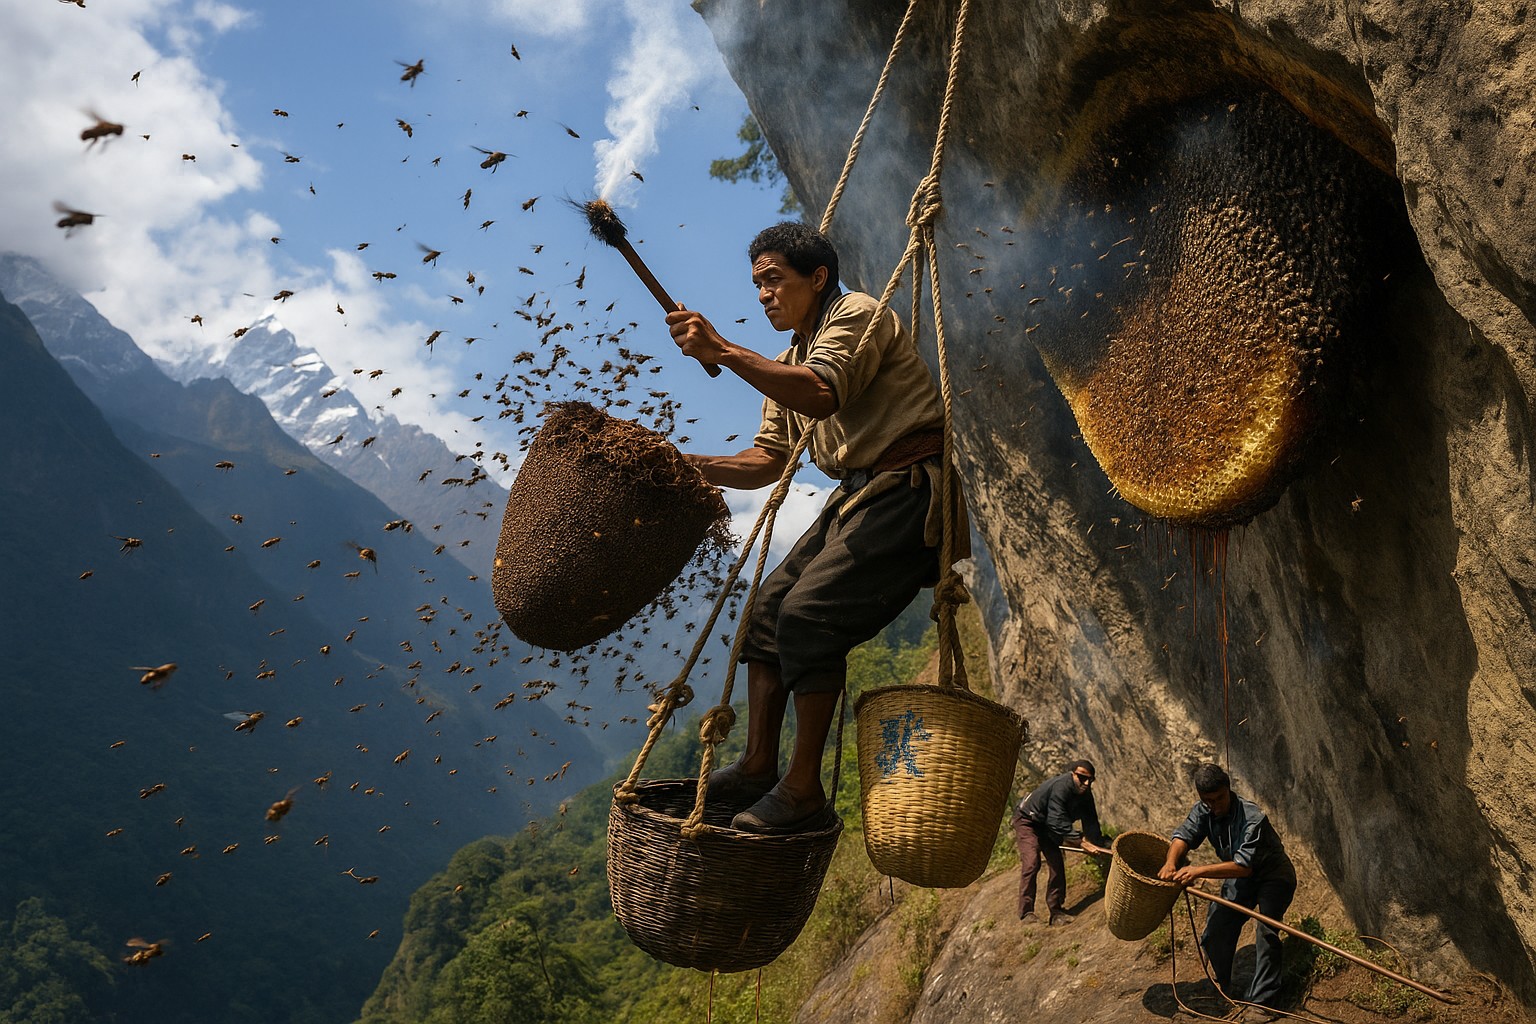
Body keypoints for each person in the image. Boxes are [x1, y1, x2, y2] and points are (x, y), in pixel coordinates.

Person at [665, 221, 954, 833]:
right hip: (857, 496)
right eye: (757, 286)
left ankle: (802, 789)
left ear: (817, 278)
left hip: (907, 487)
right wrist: (681, 464)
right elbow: (766, 461)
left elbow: (822, 394)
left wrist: (723, 351)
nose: (764, 295)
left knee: (808, 614)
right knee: (766, 613)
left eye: (774, 280)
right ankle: (759, 765)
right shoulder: (787, 361)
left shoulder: (857, 315)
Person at [1158, 763, 1298, 1012]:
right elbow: (1184, 835)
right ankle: (1221, 983)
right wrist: (1171, 862)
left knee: (1267, 931)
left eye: (1219, 798)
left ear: (1228, 789)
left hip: (1273, 876)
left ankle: (1264, 1004)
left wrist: (1197, 871)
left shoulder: (1252, 816)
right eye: (1208, 800)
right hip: (1240, 879)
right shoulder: (1204, 809)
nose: (1215, 805)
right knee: (1217, 925)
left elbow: (1243, 866)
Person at [1012, 760, 1111, 925]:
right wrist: (1082, 843)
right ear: (1072, 774)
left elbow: (1091, 823)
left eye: (1090, 780)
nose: (1086, 783)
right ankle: (1026, 912)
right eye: (1082, 778)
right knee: (1032, 862)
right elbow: (1057, 820)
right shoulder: (1061, 787)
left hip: (1047, 826)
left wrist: (1100, 844)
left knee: (1056, 864)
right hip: (1027, 820)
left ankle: (1056, 912)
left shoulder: (1086, 795)